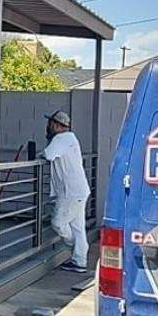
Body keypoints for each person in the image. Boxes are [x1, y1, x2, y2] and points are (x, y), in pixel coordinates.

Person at [42, 108, 90, 272]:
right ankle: (79, 261)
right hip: (78, 189)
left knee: (58, 223)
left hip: (70, 191)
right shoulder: (70, 138)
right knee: (77, 227)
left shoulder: (61, 138)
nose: (48, 126)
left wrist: (39, 155)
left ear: (56, 125)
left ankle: (76, 249)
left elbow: (48, 155)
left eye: (50, 123)